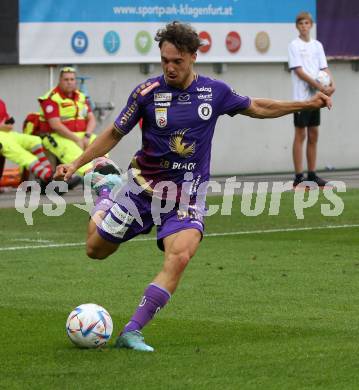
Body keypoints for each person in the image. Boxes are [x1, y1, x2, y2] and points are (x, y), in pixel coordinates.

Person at [55, 21, 332, 352]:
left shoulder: (214, 92)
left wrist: (306, 104)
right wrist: (76, 164)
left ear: (192, 57)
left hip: (186, 195)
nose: (170, 68)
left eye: (177, 61)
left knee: (181, 255)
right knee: (96, 250)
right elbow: (114, 133)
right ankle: (105, 192)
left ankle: (132, 331)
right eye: (165, 60)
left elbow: (257, 107)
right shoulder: (146, 93)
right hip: (141, 188)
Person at [288, 11, 335, 187]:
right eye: (301, 23)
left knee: (313, 134)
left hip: (317, 97)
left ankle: (312, 174)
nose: (304, 26)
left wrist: (332, 84)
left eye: (307, 23)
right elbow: (299, 71)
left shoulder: (317, 45)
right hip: (301, 99)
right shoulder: (294, 45)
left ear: (311, 25)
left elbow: (325, 68)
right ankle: (299, 176)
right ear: (297, 26)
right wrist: (319, 86)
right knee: (300, 134)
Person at [38, 66, 97, 176]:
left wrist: (87, 136)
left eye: (72, 79)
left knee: (101, 145)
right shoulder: (51, 98)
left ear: (75, 81)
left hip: (83, 134)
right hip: (57, 136)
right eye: (66, 79)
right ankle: (94, 179)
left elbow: (92, 119)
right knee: (74, 154)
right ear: (60, 81)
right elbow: (55, 125)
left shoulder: (81, 97)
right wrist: (77, 139)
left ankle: (106, 174)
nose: (69, 82)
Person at [0, 98, 53, 185]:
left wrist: (8, 124)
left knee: (34, 140)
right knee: (16, 150)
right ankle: (46, 175)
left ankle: (49, 171)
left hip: (6, 134)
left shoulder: (1, 103)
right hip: (3, 137)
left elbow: (8, 122)